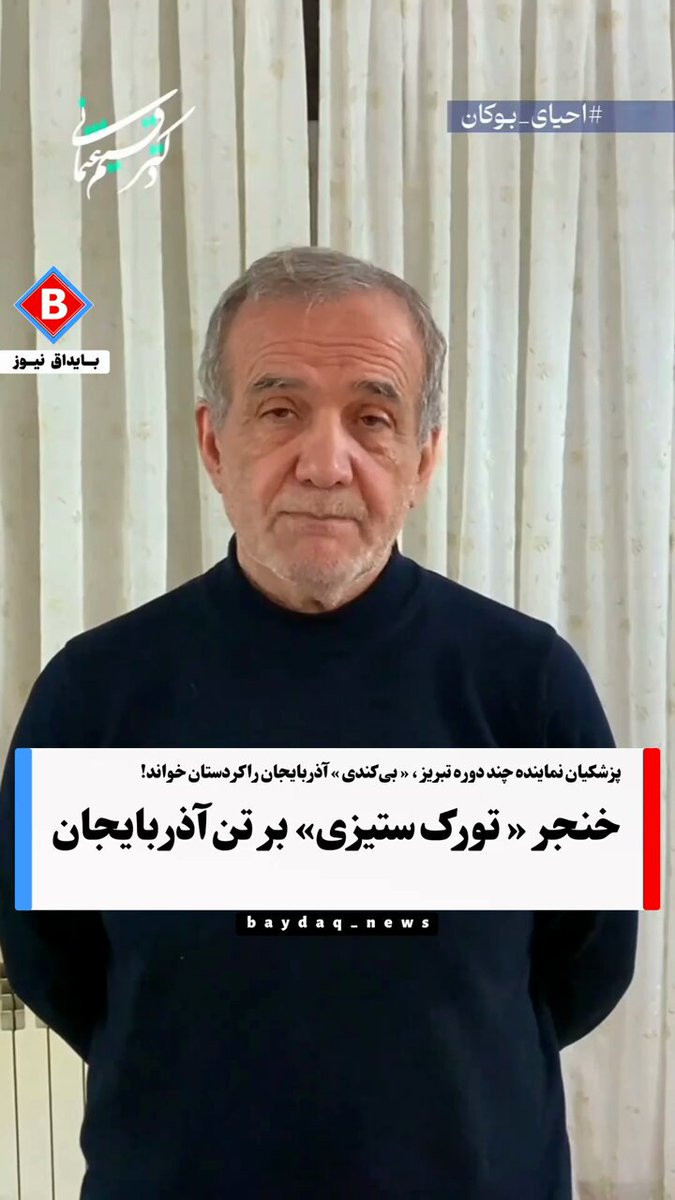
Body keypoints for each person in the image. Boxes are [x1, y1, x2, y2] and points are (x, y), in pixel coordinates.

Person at [0, 246, 638, 1200]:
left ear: (423, 457)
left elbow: (589, 967)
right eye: (279, 411)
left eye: (372, 419)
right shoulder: (93, 693)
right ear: (215, 443)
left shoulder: (531, 683)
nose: (326, 463)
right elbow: (52, 964)